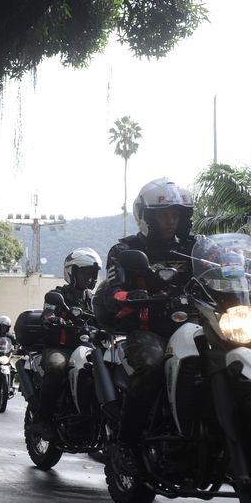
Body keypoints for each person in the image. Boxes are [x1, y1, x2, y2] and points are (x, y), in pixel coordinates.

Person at [97, 177, 198, 475]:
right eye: (164, 215)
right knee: (152, 366)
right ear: (148, 217)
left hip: (192, 325)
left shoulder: (194, 246)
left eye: (175, 215)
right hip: (148, 329)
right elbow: (114, 289)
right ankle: (126, 444)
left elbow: (224, 268)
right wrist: (129, 295)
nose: (170, 221)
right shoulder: (125, 250)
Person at [32, 247, 103, 437]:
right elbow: (48, 315)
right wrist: (56, 320)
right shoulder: (57, 295)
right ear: (72, 273)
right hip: (61, 347)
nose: (89, 278)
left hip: (87, 347)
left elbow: (103, 317)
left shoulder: (92, 299)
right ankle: (43, 419)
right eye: (85, 273)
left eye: (92, 273)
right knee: (56, 367)